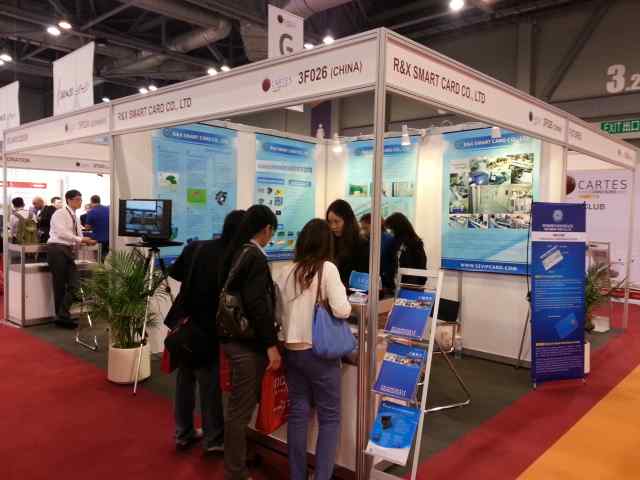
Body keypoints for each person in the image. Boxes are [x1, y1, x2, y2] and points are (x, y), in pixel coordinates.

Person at [275, 219, 351, 480]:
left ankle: (297, 475)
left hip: (291, 351)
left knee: (298, 412)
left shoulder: (285, 271)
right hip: (319, 353)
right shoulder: (327, 269)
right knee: (329, 418)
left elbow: (278, 315)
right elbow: (343, 310)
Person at [168, 209, 246, 454]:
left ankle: (183, 433)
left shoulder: (196, 247)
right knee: (209, 384)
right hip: (210, 327)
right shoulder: (235, 257)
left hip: (186, 323)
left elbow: (175, 273)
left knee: (184, 379)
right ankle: (213, 439)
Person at [219, 204, 282, 480]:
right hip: (246, 343)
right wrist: (271, 345)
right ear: (266, 229)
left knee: (238, 405)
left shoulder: (236, 251)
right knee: (240, 409)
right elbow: (258, 305)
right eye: (272, 232)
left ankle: (239, 458)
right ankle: (235, 471)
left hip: (231, 337)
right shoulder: (254, 256)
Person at [47, 190, 96, 328]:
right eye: (77, 199)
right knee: (59, 285)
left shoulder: (75, 216)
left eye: (81, 199)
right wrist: (81, 239)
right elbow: (61, 233)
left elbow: (78, 235)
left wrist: (85, 241)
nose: (80, 202)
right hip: (57, 249)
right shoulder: (60, 213)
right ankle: (62, 317)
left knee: (75, 285)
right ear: (68, 200)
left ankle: (61, 315)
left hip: (67, 251)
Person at [326, 199, 368, 287]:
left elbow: (362, 280)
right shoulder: (328, 242)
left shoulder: (361, 245)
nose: (333, 226)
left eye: (337, 221)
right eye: (330, 222)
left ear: (348, 221)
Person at [384, 212, 427, 288]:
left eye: (391, 229)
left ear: (397, 227)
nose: (390, 232)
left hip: (410, 285)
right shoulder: (394, 242)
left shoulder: (414, 243)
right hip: (397, 284)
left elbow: (421, 265)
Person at [360, 213, 396, 290]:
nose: (363, 232)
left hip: (385, 284)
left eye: (365, 228)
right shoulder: (367, 240)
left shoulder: (389, 240)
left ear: (375, 225)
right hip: (370, 282)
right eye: (362, 229)